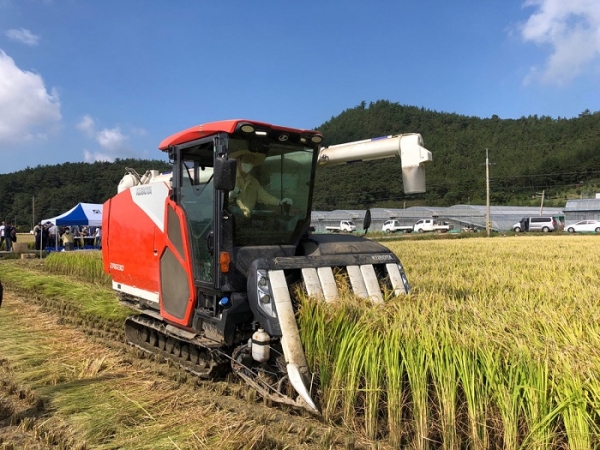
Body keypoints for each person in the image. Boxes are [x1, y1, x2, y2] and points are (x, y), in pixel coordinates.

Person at [228, 149, 293, 218]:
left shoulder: (254, 182)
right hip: (232, 218)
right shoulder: (229, 178)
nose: (249, 163)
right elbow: (218, 201)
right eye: (246, 160)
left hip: (247, 219)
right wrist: (228, 196)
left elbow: (264, 196)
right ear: (238, 161)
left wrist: (279, 202)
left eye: (251, 161)